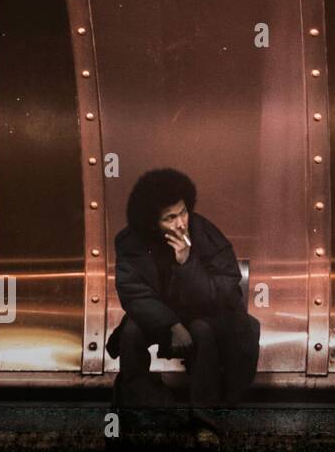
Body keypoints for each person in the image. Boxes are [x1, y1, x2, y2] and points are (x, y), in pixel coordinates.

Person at [107, 168, 261, 428]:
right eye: (169, 218)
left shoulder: (204, 233)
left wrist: (187, 263)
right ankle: (145, 410)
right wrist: (172, 325)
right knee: (131, 332)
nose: (180, 223)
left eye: (183, 212)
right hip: (162, 317)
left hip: (206, 314)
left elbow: (223, 289)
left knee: (203, 331)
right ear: (151, 222)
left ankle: (206, 417)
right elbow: (134, 294)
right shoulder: (130, 241)